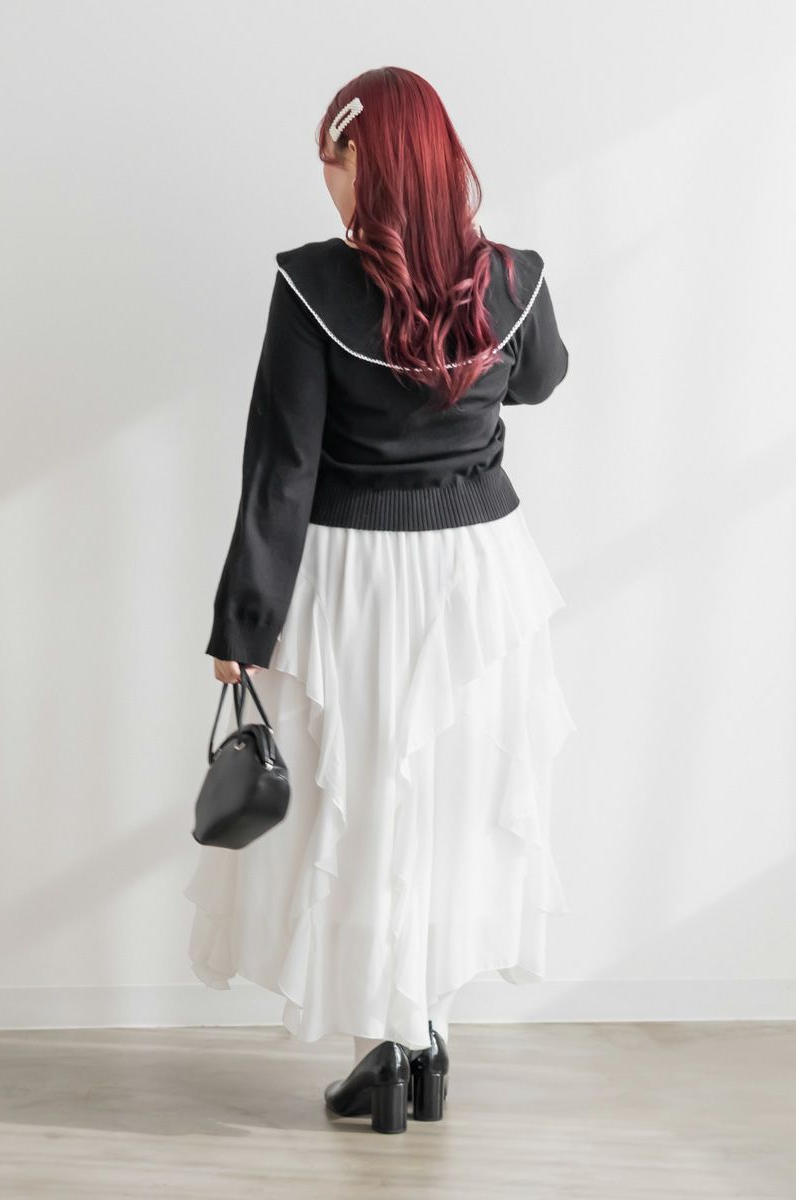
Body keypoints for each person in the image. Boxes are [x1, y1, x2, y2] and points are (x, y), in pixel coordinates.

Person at [183, 66, 577, 1134]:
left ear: (377, 161)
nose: (325, 175)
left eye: (336, 156)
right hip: (481, 576)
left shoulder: (315, 284)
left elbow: (283, 466)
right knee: (447, 805)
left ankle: (389, 1055)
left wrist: (243, 623)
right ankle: (422, 1040)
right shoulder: (512, 277)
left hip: (354, 574)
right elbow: (541, 378)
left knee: (363, 812)